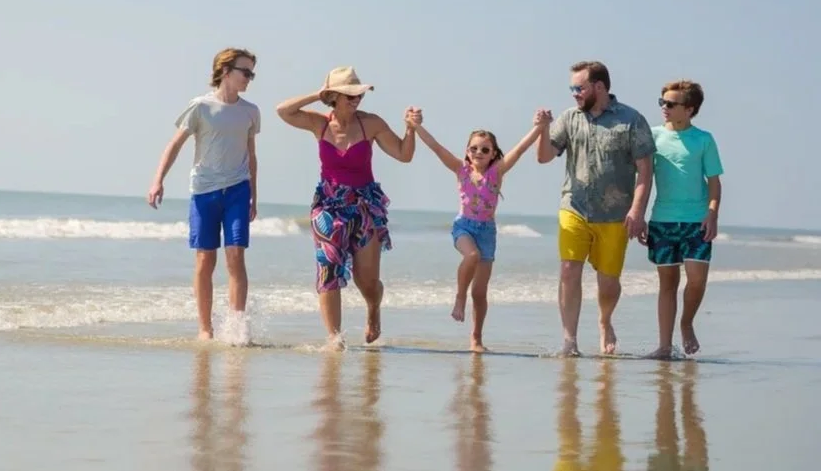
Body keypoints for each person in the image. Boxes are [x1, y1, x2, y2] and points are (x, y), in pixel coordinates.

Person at [276, 66, 420, 349]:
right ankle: (334, 338)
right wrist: (317, 94)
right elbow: (283, 110)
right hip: (328, 205)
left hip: (365, 205)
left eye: (359, 94)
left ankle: (373, 308)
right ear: (333, 96)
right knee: (328, 265)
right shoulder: (320, 123)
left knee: (366, 280)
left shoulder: (372, 123)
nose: (356, 99)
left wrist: (410, 129)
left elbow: (404, 155)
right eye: (350, 95)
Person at [535, 60, 655, 356]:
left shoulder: (632, 120)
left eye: (579, 87)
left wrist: (637, 211)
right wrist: (543, 129)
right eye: (572, 88)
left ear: (599, 87)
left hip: (616, 214)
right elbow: (544, 157)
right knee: (568, 270)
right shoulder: (569, 118)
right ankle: (569, 340)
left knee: (609, 281)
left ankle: (605, 320)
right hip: (573, 207)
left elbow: (645, 170)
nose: (574, 93)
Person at [147, 47, 261, 343]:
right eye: (245, 72)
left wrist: (254, 196)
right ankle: (205, 329)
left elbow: (251, 155)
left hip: (238, 189)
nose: (249, 78)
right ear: (226, 71)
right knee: (204, 260)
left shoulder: (251, 111)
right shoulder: (200, 107)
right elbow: (174, 145)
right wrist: (158, 180)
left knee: (236, 256)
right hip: (204, 191)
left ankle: (237, 330)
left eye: (252, 73)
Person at [410, 112, 550, 352]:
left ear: (494, 154)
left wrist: (539, 127)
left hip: (487, 232)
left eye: (485, 150)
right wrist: (415, 126)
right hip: (463, 226)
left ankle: (476, 338)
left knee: (481, 293)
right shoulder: (460, 169)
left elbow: (521, 148)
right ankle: (459, 297)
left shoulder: (497, 172)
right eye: (474, 148)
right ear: (467, 151)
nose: (478, 153)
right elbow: (436, 147)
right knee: (471, 256)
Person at [640, 80, 723, 358]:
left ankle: (686, 323)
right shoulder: (652, 137)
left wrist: (712, 213)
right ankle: (664, 345)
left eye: (671, 104)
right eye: (662, 102)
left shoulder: (704, 139)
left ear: (689, 109)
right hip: (662, 220)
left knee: (697, 280)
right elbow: (643, 179)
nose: (664, 107)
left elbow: (714, 181)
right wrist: (638, 214)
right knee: (668, 283)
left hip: (697, 221)